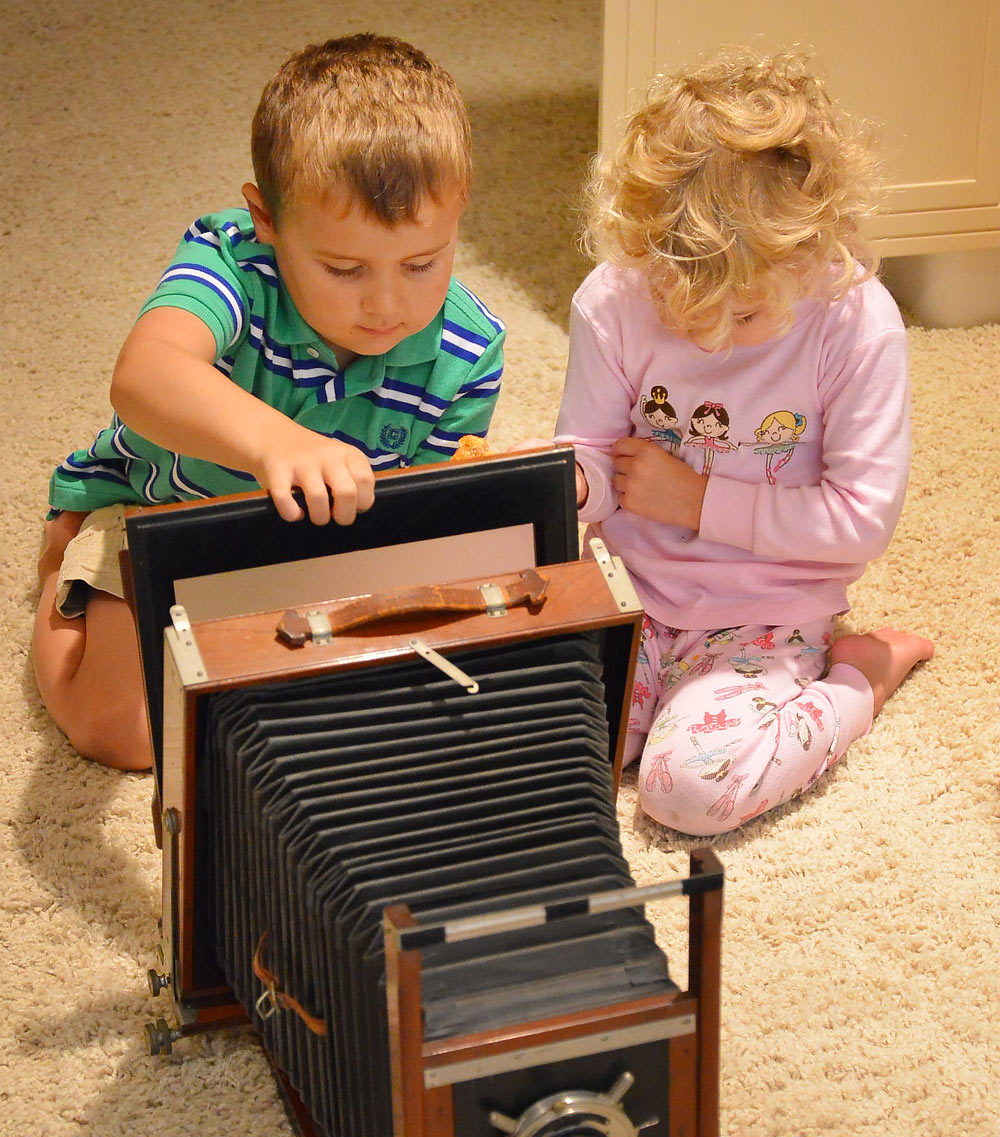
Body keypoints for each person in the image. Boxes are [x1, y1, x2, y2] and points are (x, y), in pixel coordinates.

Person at [33, 34, 505, 771]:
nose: (387, 305)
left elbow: (422, 519)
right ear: (267, 219)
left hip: (319, 549)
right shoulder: (228, 261)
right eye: (344, 268)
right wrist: (279, 443)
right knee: (124, 735)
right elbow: (144, 373)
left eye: (421, 263)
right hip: (162, 515)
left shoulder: (472, 351)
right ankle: (63, 568)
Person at [553, 49, 933, 836]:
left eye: (748, 316)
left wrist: (696, 499)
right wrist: (568, 485)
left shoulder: (857, 323)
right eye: (682, 308)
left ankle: (859, 677)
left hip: (767, 611)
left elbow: (861, 521)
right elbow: (587, 448)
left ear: (814, 251)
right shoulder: (616, 297)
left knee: (686, 791)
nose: (713, 340)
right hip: (628, 592)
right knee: (536, 757)